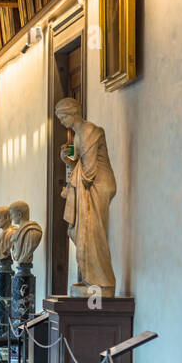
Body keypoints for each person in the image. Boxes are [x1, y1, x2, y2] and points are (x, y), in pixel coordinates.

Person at [56, 97, 117, 296]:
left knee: (93, 232)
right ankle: (91, 279)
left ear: (71, 113)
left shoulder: (88, 131)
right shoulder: (77, 135)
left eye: (62, 117)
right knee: (83, 232)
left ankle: (102, 282)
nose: (61, 122)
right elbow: (77, 161)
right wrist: (66, 157)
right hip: (87, 185)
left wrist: (70, 187)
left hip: (97, 185)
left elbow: (89, 171)